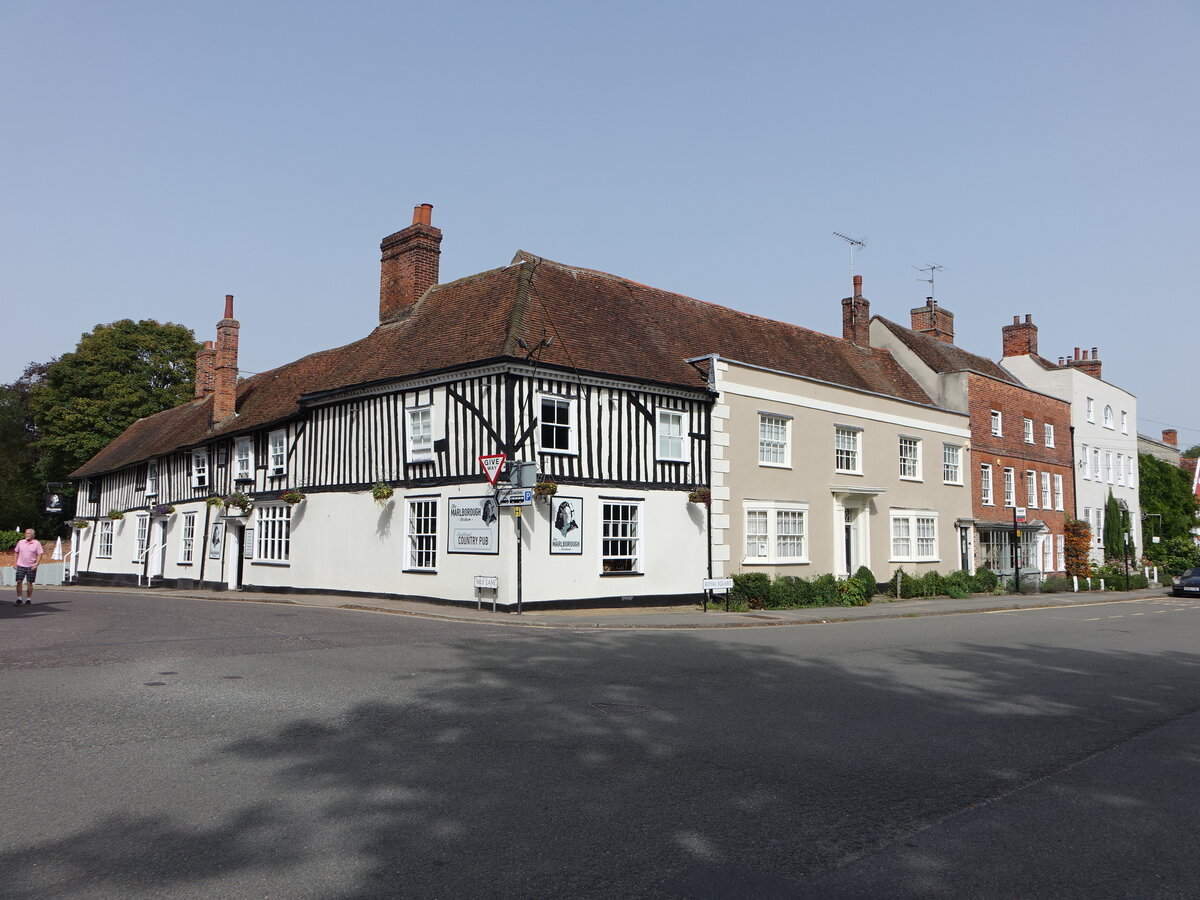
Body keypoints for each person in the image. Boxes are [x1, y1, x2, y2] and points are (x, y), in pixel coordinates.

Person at [14, 528, 44, 606]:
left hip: (31, 566)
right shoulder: (21, 542)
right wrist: (15, 563)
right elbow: (16, 552)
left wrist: (36, 564)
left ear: (33, 535)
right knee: (19, 581)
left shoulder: (37, 543)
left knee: (29, 583)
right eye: (26, 533)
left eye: (29, 533)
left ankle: (28, 599)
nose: (27, 535)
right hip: (20, 565)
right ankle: (19, 598)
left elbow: (40, 554)